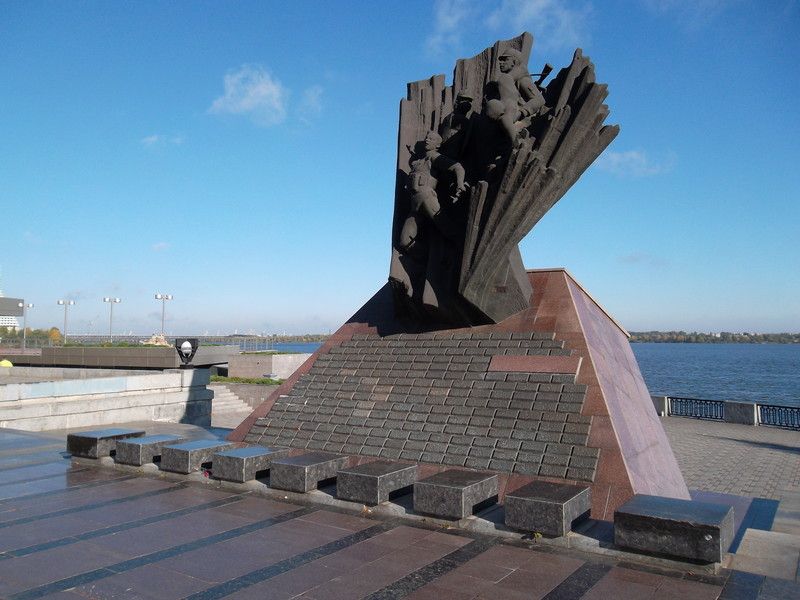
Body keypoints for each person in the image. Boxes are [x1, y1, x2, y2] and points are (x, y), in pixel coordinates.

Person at [486, 47, 546, 143]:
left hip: (516, 121)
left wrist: (521, 112)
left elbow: (539, 100)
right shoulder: (508, 80)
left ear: (514, 61)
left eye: (505, 59)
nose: (501, 63)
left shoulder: (522, 80)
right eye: (500, 60)